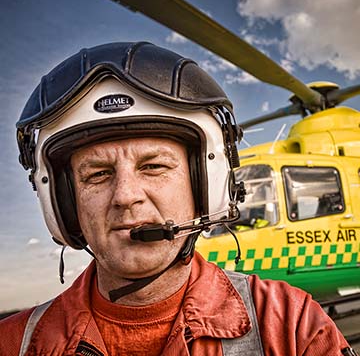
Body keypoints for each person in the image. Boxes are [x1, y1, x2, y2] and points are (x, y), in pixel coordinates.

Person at [0, 42, 356, 356]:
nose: (126, 196)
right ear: (62, 203)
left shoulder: (294, 326)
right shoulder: (12, 343)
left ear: (206, 186)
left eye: (154, 166)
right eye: (98, 174)